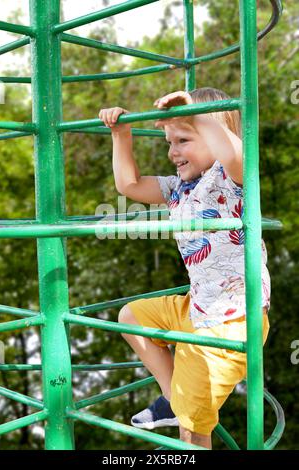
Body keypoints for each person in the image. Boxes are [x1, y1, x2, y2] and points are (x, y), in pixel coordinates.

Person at [98, 88, 271, 449]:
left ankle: (183, 410)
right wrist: (121, 134)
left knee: (192, 434)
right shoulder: (179, 187)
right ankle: (173, 398)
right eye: (169, 141)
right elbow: (128, 184)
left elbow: (235, 152)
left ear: (213, 131)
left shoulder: (233, 177)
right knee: (131, 316)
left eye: (183, 139)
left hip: (230, 324)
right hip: (197, 307)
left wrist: (199, 113)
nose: (172, 151)